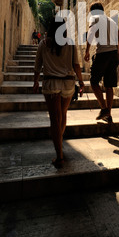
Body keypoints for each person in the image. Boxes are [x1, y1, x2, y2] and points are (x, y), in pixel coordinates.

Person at [33, 19, 84, 168]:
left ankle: (59, 155)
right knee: (63, 113)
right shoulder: (70, 43)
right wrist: (81, 82)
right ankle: (59, 144)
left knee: (55, 119)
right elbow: (76, 65)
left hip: (51, 84)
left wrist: (35, 81)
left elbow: (38, 65)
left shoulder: (43, 44)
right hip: (68, 83)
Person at [84, 2, 119, 123]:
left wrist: (87, 51)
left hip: (102, 54)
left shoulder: (94, 18)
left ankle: (104, 108)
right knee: (109, 85)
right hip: (113, 54)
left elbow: (90, 34)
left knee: (94, 82)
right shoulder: (111, 21)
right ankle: (108, 114)